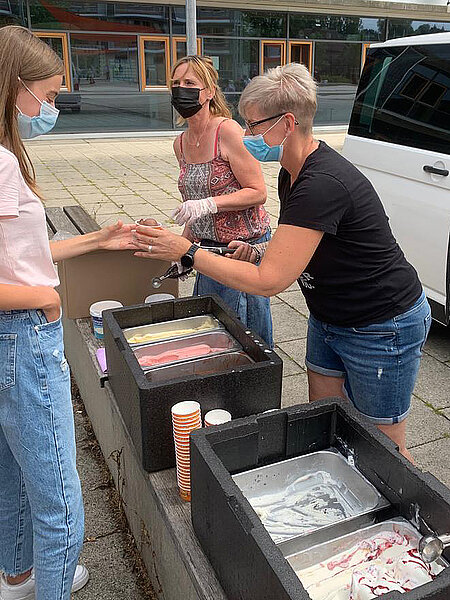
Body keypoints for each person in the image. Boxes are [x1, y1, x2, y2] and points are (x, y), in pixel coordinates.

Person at [134, 63, 431, 462]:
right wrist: (260, 251)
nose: (248, 136)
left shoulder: (321, 182)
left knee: (385, 449)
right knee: (324, 421)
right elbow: (304, 243)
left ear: (287, 123)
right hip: (329, 317)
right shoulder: (292, 172)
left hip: (381, 324)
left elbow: (268, 282)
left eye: (254, 126)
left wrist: (187, 252)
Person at [0, 26, 136, 600]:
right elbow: (22, 280)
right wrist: (46, 300)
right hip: (22, 336)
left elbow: (21, 256)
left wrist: (98, 239)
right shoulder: (2, 164)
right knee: (59, 492)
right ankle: (53, 584)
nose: (51, 109)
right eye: (49, 96)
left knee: (11, 470)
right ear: (16, 88)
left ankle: (18, 575)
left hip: (10, 335)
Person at [168, 55, 273, 347]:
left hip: (241, 251)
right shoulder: (180, 143)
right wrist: (183, 249)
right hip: (207, 252)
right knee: (211, 334)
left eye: (190, 83)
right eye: (176, 83)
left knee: (245, 338)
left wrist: (209, 203)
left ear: (210, 92)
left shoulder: (227, 131)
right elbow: (193, 209)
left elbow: (258, 191)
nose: (181, 89)